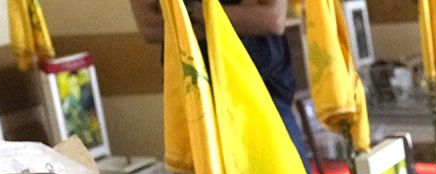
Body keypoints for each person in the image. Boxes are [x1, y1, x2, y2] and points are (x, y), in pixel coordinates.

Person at [129, 0, 308, 157]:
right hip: (198, 99)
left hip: (265, 93)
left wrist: (194, 13)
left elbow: (271, 19)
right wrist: (235, 16)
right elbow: (152, 28)